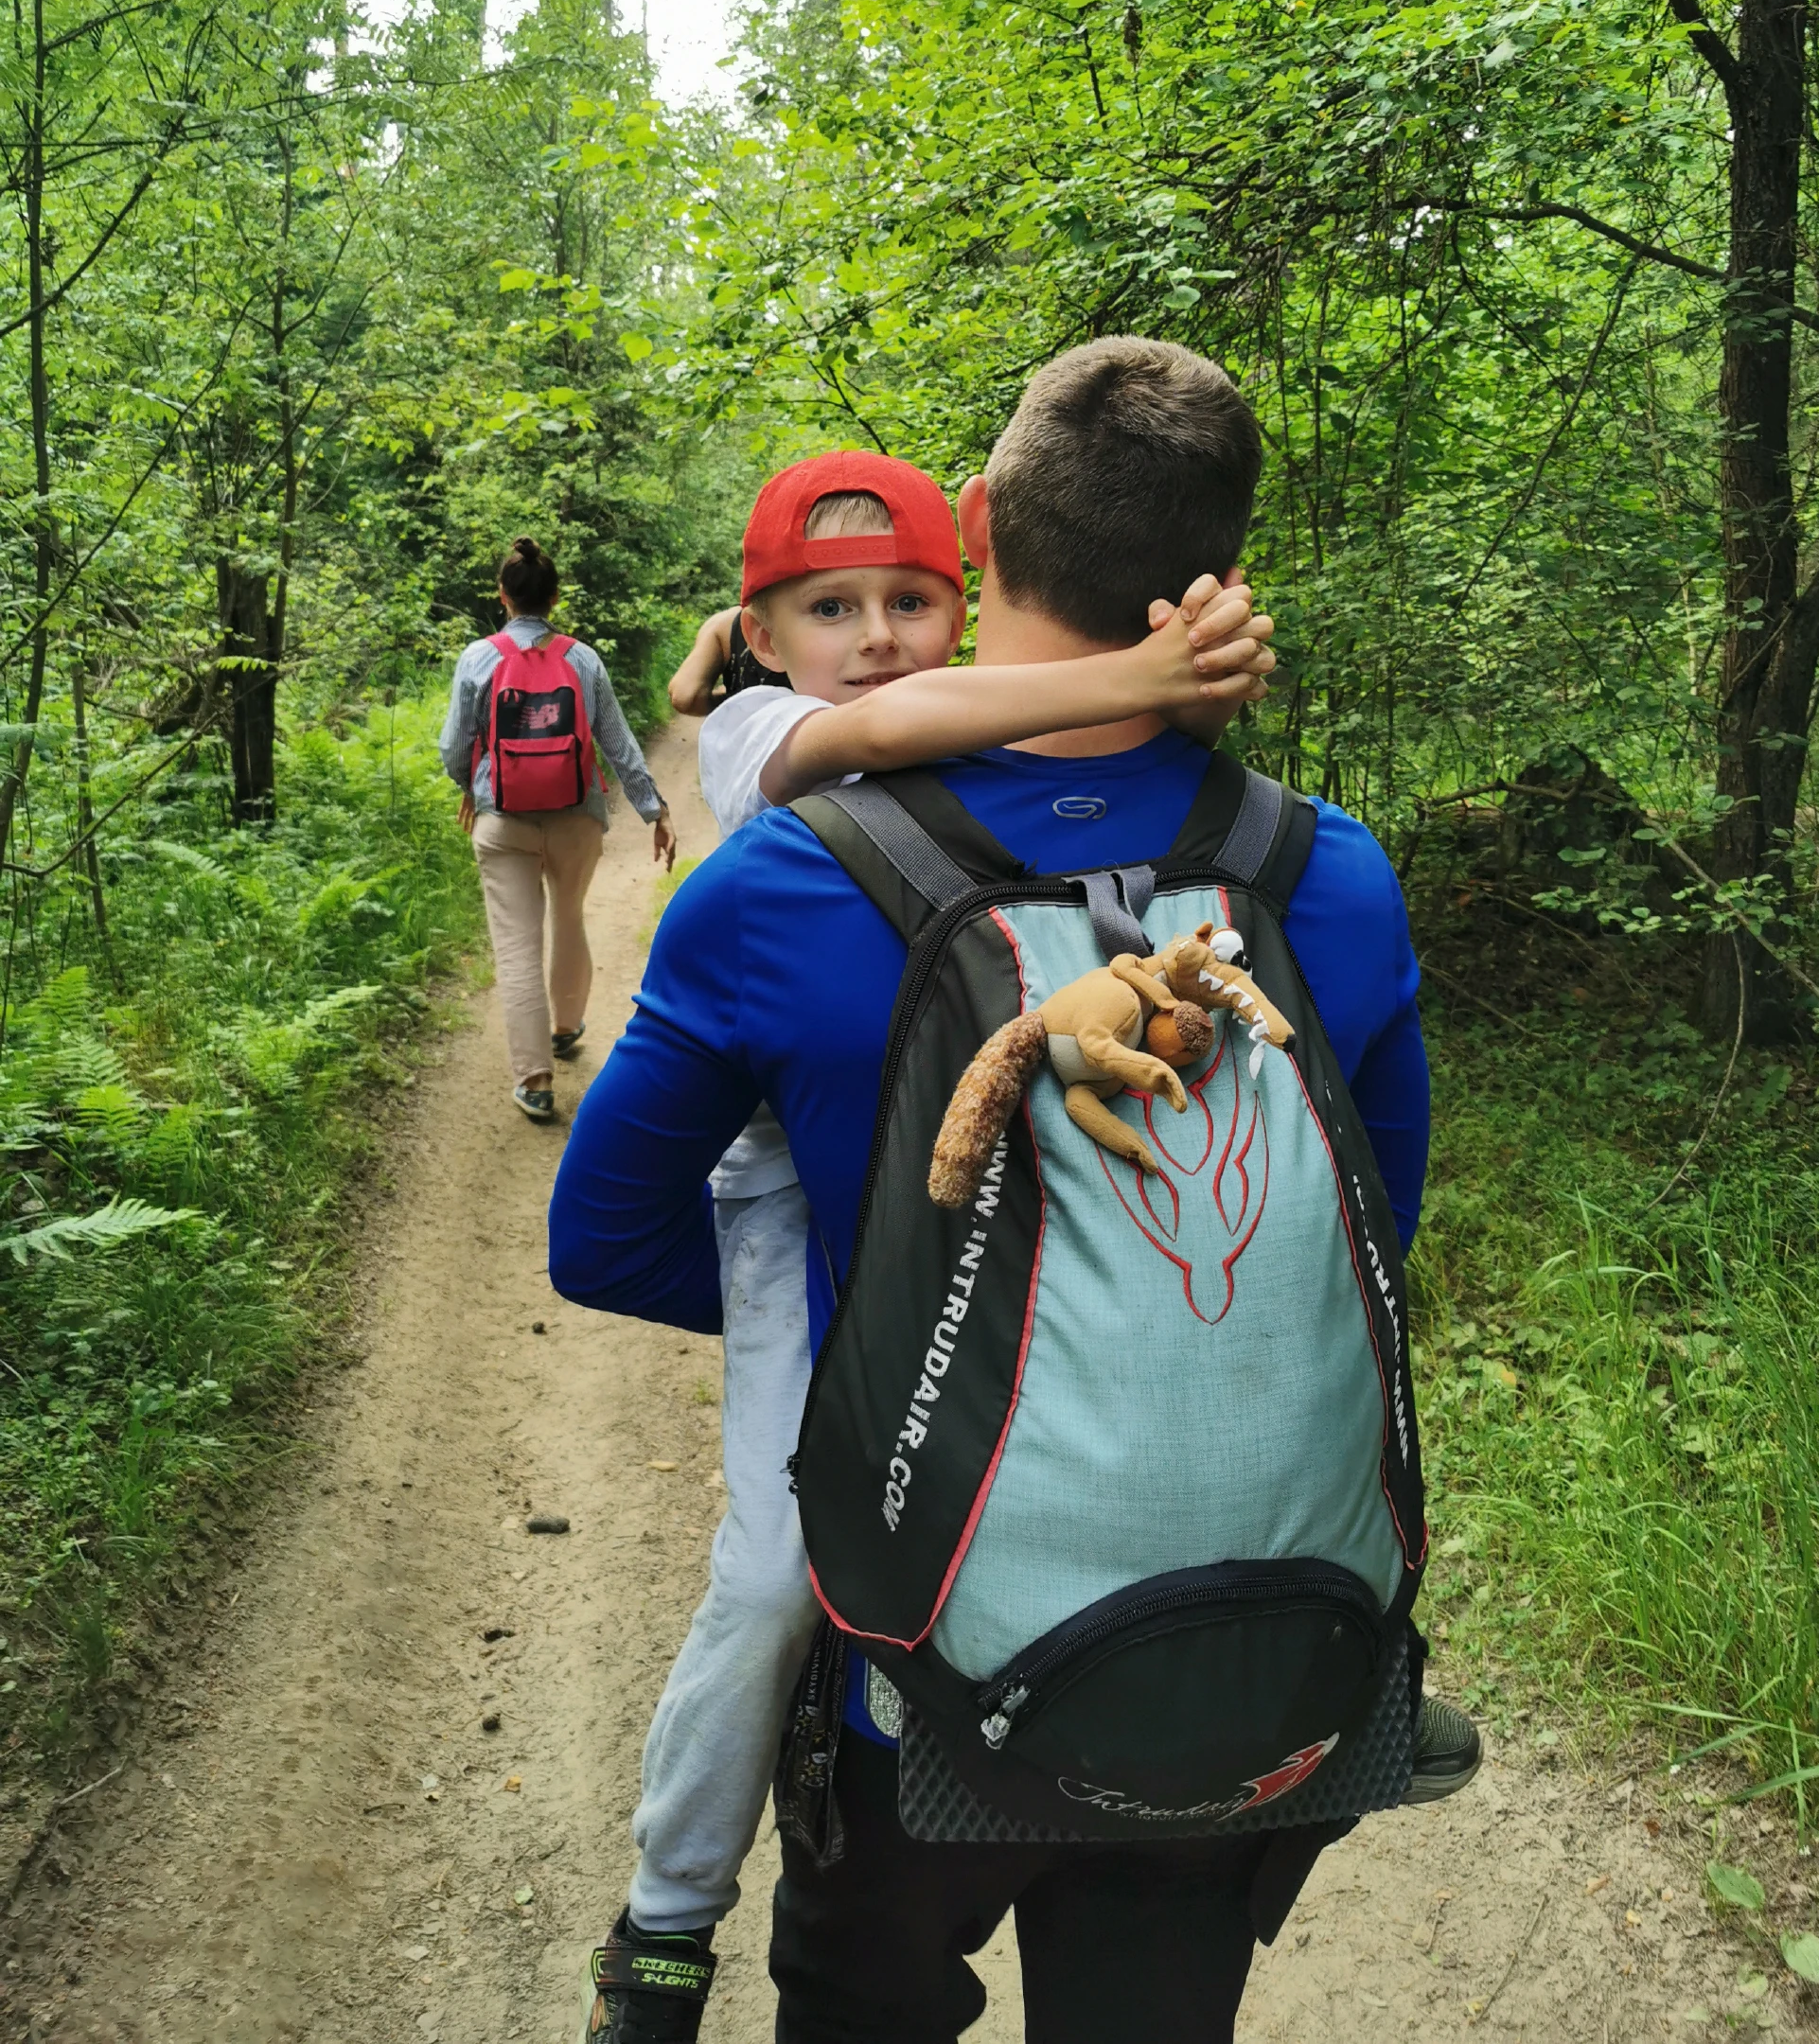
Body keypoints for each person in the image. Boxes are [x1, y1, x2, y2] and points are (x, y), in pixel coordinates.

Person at [549, 344, 1445, 2044]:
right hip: (1237, 1665)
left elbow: (602, 1236)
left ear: (975, 530)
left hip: (923, 1670)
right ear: (1220, 580)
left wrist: (882, 1299)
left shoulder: (785, 881)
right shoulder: (1329, 874)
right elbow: (1366, 1233)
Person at [439, 537, 678, 1124]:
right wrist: (655, 811)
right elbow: (617, 742)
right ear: (555, 597)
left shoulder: (478, 658)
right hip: (577, 818)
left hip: (503, 821)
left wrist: (473, 787)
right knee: (567, 916)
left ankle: (536, 1080)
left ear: (503, 597)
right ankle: (566, 1027)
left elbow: (454, 747)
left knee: (517, 946)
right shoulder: (582, 658)